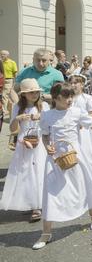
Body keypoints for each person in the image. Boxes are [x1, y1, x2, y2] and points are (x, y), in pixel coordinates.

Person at [34, 82, 92, 250]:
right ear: (55, 98)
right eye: (66, 97)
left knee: (86, 185)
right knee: (51, 193)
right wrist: (48, 146)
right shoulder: (47, 115)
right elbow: (45, 136)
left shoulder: (76, 112)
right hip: (56, 159)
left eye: (71, 96)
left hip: (76, 155)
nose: (70, 100)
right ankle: (46, 232)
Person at [0, 79, 49, 222]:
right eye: (30, 92)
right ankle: (29, 201)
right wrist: (17, 118)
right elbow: (13, 129)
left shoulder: (44, 106)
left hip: (39, 141)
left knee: (39, 171)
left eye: (36, 92)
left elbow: (49, 123)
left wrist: (40, 116)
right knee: (25, 172)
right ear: (24, 95)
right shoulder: (17, 107)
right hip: (24, 142)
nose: (34, 94)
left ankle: (38, 205)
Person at [1, 49, 19, 115]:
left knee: (4, 95)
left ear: (7, 55)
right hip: (1, 80)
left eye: (3, 54)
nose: (1, 55)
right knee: (6, 96)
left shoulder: (12, 62)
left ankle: (4, 110)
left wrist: (14, 83)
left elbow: (15, 74)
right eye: (1, 54)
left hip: (9, 80)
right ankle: (8, 109)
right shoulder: (1, 62)